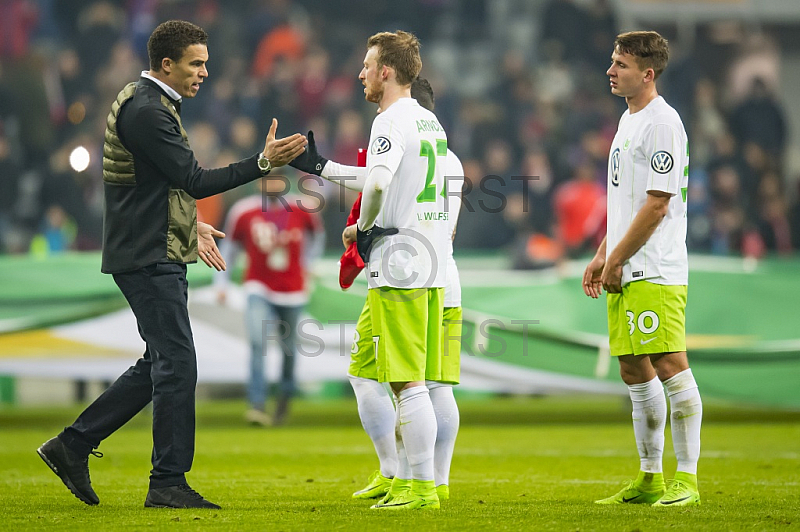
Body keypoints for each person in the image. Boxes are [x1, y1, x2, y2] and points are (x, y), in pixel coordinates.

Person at [36, 20, 307, 509]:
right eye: (195, 63)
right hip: (146, 254)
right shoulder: (148, 111)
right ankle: (167, 482)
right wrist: (263, 163)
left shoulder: (143, 100)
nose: (205, 71)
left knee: (161, 362)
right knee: (178, 364)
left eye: (205, 62)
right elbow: (194, 180)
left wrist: (188, 224)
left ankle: (72, 445)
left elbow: (156, 186)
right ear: (167, 64)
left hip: (149, 245)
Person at [290, 78, 464, 504]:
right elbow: (376, 179)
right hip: (440, 271)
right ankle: (421, 478)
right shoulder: (447, 156)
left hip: (406, 270)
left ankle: (417, 481)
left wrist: (362, 231)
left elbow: (381, 185)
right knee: (416, 382)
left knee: (411, 382)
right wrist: (321, 167)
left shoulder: (397, 127)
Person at [582, 31, 702, 507]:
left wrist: (617, 258)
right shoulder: (627, 120)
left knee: (670, 364)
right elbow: (628, 204)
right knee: (634, 369)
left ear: (647, 73)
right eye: (612, 62)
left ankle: (687, 479)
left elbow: (656, 206)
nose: (611, 71)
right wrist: (601, 254)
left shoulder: (663, 124)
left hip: (655, 267)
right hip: (627, 264)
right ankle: (650, 477)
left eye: (621, 65)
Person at [214, 175, 325, 426]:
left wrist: (308, 265)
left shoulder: (302, 208)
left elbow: (317, 237)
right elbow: (229, 248)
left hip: (293, 288)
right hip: (258, 285)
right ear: (258, 183)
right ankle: (257, 404)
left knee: (288, 349)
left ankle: (284, 397)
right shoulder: (243, 211)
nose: (272, 186)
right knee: (257, 341)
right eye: (267, 180)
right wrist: (221, 282)